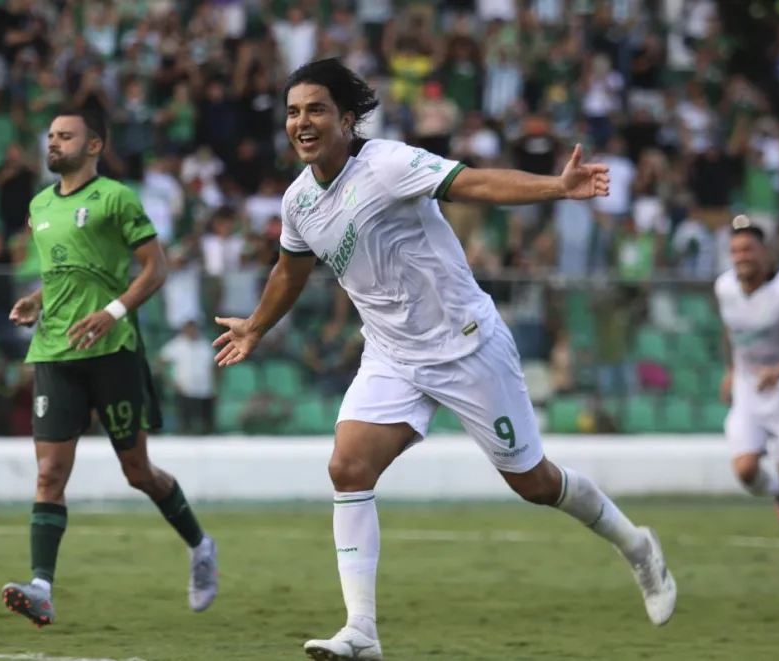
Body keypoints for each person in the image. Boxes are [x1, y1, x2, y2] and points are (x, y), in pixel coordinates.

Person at [212, 58, 676, 661]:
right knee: (348, 469)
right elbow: (288, 271)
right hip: (392, 355)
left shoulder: (387, 164)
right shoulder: (299, 201)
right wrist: (255, 325)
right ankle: (362, 631)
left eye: (316, 109)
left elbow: (476, 183)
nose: (302, 121)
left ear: (347, 120)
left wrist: (556, 188)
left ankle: (636, 544)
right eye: (294, 111)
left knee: (533, 483)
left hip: (466, 345)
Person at [0, 110, 218, 628]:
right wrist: (36, 299)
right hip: (55, 352)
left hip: (112, 349)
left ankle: (200, 543)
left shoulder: (116, 198)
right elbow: (65, 274)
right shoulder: (40, 206)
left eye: (65, 136)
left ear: (94, 145)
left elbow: (155, 268)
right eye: (50, 136)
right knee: (50, 473)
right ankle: (42, 588)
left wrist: (111, 312)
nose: (54, 143)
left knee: (137, 471)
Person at [715, 215, 779, 567]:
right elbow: (729, 332)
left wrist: (778, 371)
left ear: (765, 252)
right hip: (748, 390)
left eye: (747, 248)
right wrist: (731, 372)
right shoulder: (724, 287)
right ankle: (777, 493)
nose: (740, 256)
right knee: (745, 470)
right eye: (735, 250)